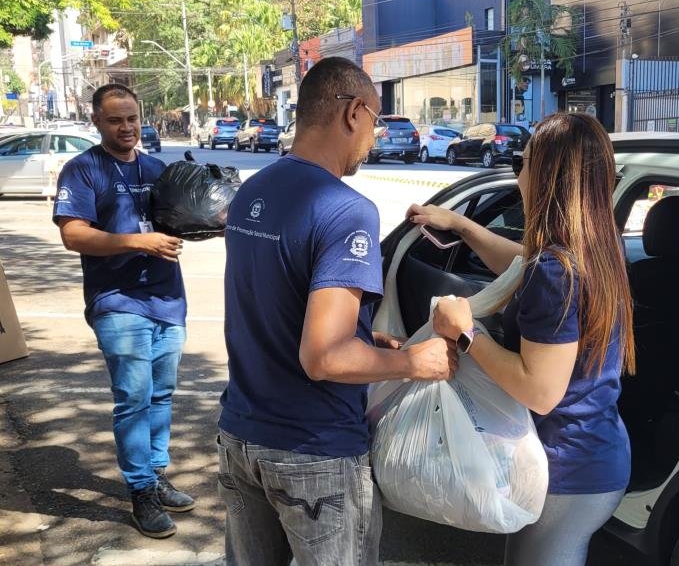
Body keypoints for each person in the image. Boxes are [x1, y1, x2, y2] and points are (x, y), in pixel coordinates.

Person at [217, 56, 457, 566]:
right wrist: (416, 363)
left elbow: (275, 303)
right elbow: (323, 359)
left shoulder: (252, 192)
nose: (373, 135)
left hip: (241, 435)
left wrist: (367, 341)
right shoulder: (346, 208)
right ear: (353, 113)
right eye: (375, 120)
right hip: (313, 452)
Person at [409, 112, 636, 566]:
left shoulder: (556, 272)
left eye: (525, 162)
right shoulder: (595, 247)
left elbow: (540, 390)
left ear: (548, 174)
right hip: (596, 453)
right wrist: (462, 225)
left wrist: (465, 331)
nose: (519, 175)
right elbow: (521, 264)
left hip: (569, 468)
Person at [52, 84, 193, 539]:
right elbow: (74, 235)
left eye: (132, 118)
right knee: (133, 396)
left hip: (167, 299)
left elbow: (184, 219)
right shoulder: (83, 170)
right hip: (118, 301)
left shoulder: (157, 168)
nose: (127, 127)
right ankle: (140, 492)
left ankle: (154, 474)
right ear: (96, 121)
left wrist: (211, 210)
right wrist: (138, 241)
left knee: (162, 394)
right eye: (115, 120)